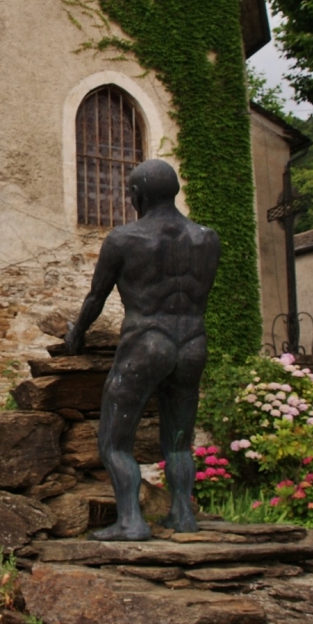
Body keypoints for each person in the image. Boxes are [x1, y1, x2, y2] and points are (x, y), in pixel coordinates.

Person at [65, 159, 221, 540]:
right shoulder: (207, 238)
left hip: (147, 340)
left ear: (137, 195)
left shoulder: (123, 239)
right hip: (193, 343)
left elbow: (96, 296)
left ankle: (131, 521)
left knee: (114, 440)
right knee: (180, 440)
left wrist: (76, 333)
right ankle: (183, 514)